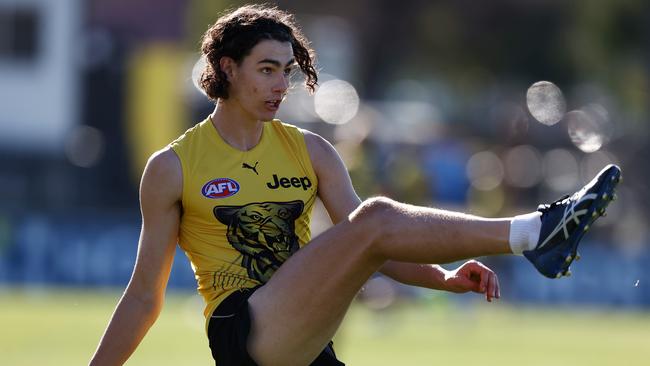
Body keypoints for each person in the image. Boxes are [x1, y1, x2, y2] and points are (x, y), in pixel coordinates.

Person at [89, 4, 621, 366]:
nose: (281, 85)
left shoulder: (310, 151)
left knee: (371, 222)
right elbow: (143, 295)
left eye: (287, 72)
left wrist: (445, 279)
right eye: (267, 69)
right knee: (373, 216)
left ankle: (535, 238)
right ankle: (535, 233)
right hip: (244, 332)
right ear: (227, 68)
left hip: (305, 338)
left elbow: (378, 247)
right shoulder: (173, 166)